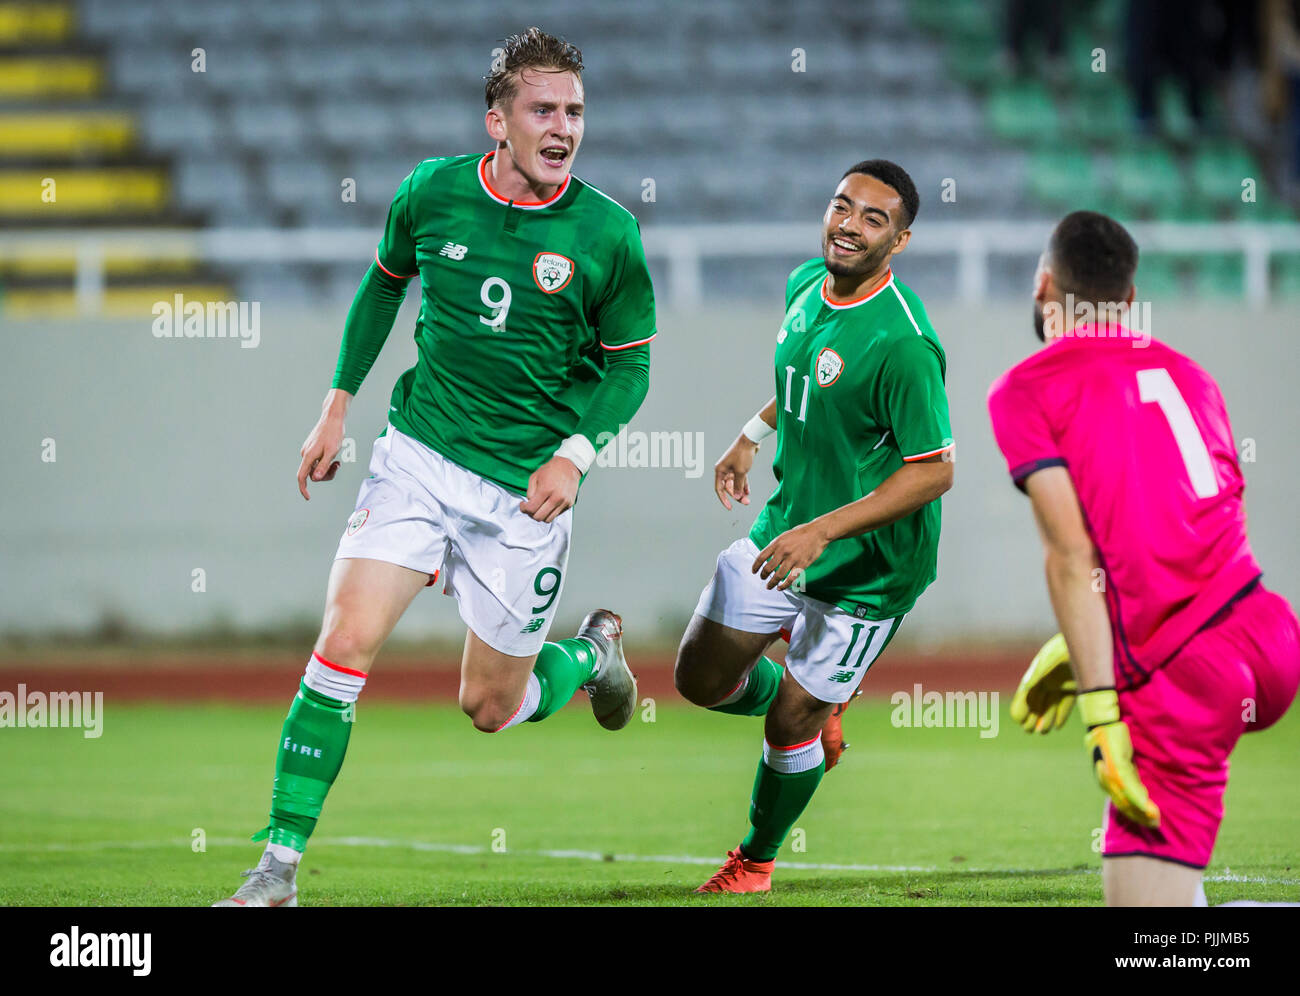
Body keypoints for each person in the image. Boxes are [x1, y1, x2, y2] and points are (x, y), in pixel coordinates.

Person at [214, 27, 656, 907]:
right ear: (498, 120)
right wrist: (337, 402)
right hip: (416, 459)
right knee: (341, 645)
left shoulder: (609, 233)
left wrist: (575, 455)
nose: (562, 127)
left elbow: (630, 364)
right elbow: (384, 282)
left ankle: (591, 653)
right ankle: (277, 872)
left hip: (523, 493)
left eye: (574, 111)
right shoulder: (431, 192)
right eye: (543, 110)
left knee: (490, 706)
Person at [988, 210, 1299, 906]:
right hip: (1269, 633)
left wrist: (1103, 711)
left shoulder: (1027, 389)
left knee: (1150, 948)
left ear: (1044, 288)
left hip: (1189, 677)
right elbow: (1177, 540)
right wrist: (1078, 653)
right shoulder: (1192, 375)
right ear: (1130, 300)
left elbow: (1072, 556)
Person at [674, 160, 954, 894]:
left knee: (787, 721)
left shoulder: (904, 343)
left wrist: (825, 532)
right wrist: (750, 435)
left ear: (900, 241)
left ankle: (756, 859)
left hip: (867, 569)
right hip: (785, 526)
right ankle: (819, 699)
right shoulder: (807, 282)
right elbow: (801, 382)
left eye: (873, 219)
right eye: (842, 206)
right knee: (698, 679)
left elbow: (934, 470)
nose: (849, 225)